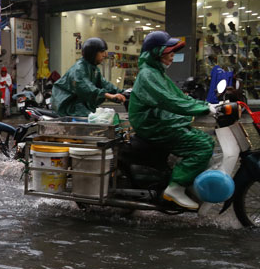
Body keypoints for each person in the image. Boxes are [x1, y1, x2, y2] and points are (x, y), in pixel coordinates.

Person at [128, 31, 216, 210]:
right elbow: (169, 101)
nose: (172, 56)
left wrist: (204, 104)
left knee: (206, 139)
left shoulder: (156, 73)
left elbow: (179, 97)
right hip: (154, 126)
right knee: (202, 146)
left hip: (163, 122)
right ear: (156, 53)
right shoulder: (148, 75)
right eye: (169, 52)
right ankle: (175, 188)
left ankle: (184, 180)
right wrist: (203, 108)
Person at [52, 37, 126, 117]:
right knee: (96, 120)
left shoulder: (93, 68)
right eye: (101, 52)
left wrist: (122, 92)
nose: (104, 55)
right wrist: (109, 96)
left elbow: (105, 84)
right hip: (69, 107)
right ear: (92, 53)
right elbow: (86, 88)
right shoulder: (79, 69)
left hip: (81, 106)